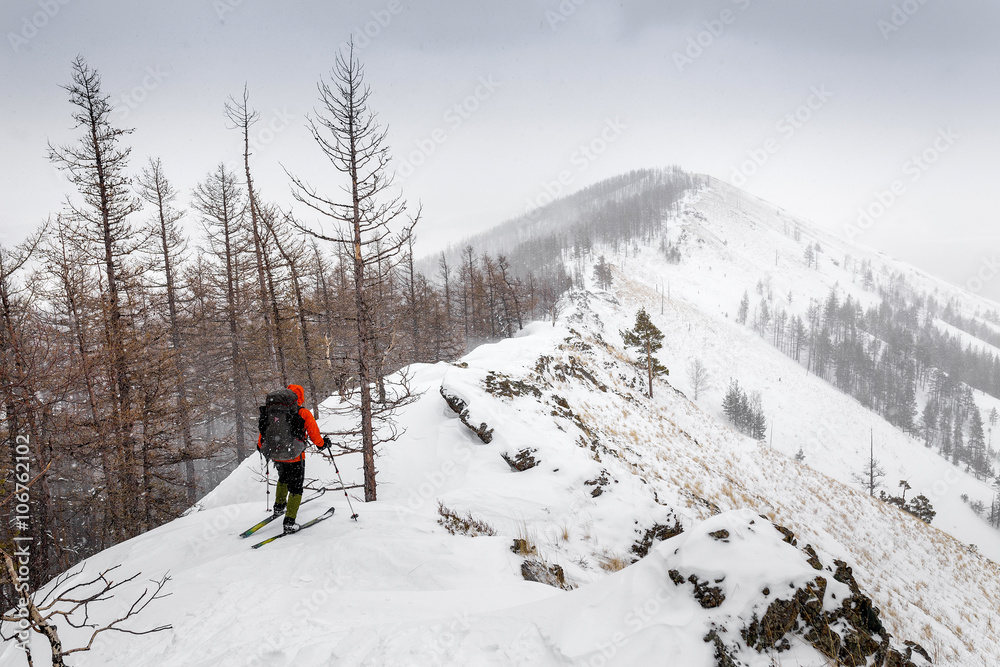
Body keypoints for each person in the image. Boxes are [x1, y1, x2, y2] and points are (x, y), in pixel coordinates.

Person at [258, 384, 329, 533]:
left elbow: (265, 431)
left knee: (283, 479)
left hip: (276, 454)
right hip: (295, 456)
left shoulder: (273, 412)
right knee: (296, 488)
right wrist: (322, 444)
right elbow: (314, 433)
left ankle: (279, 507)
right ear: (299, 397)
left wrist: (261, 445)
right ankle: (289, 522)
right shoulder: (302, 413)